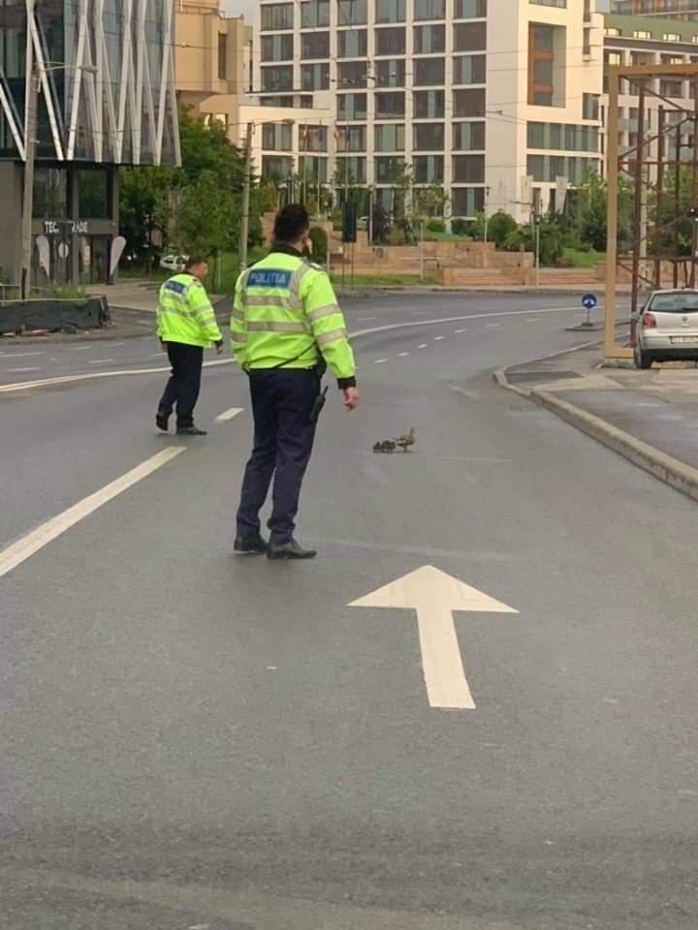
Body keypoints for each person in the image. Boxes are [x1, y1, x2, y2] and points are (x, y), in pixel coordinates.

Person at [232, 204, 359, 560]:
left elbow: (238, 329)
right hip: (297, 375)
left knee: (262, 452)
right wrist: (346, 379)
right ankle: (281, 536)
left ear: (274, 233)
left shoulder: (249, 276)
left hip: (260, 375)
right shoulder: (310, 277)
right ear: (304, 237)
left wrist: (250, 364)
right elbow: (330, 332)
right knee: (291, 454)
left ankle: (245, 531)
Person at [156, 255, 223, 436]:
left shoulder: (168, 284)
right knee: (190, 382)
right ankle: (185, 422)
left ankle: (164, 407)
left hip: (171, 338)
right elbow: (204, 313)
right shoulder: (194, 286)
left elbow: (161, 311)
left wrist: (162, 335)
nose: (206, 273)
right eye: (205, 269)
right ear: (197, 267)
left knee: (178, 375)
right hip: (190, 341)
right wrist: (216, 338)